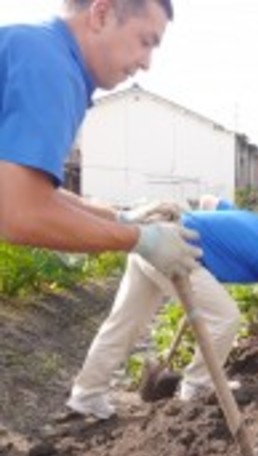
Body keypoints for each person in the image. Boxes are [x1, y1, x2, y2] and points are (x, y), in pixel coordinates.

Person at [0, 0, 200, 279]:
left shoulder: (32, 48)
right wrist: (140, 240)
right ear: (101, 14)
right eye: (145, 42)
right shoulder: (51, 69)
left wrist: (120, 217)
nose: (147, 63)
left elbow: (23, 188)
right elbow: (21, 213)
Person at [67, 206, 258, 419]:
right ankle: (197, 385)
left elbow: (210, 201)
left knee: (124, 323)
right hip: (176, 252)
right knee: (227, 317)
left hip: (150, 240)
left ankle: (86, 394)